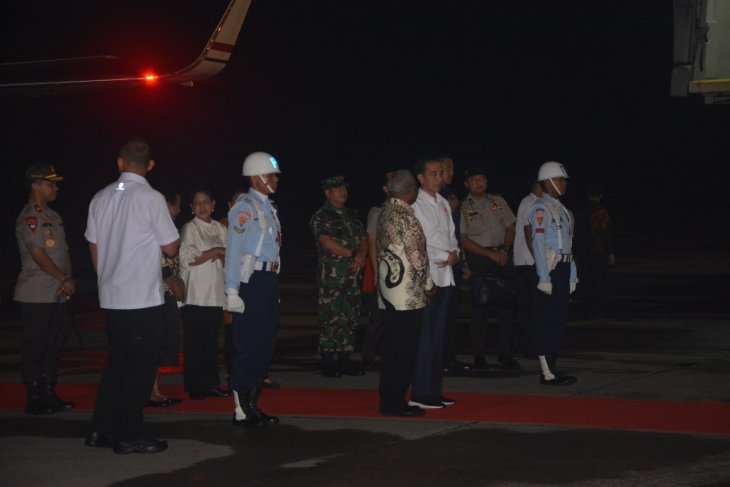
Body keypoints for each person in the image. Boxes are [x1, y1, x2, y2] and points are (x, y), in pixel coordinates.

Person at [85, 137, 179, 453]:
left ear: (120, 162)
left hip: (112, 296)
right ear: (150, 165)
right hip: (141, 297)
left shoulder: (100, 197)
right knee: (140, 368)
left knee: (117, 364)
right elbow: (171, 246)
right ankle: (129, 433)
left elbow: (93, 244)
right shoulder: (151, 198)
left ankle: (100, 429)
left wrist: (105, 278)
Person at [224, 151, 282, 426]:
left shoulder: (268, 207)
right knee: (248, 343)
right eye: (271, 175)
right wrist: (232, 291)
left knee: (264, 343)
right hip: (251, 282)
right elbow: (234, 251)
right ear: (257, 178)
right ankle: (241, 408)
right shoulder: (244, 208)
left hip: (268, 280)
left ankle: (253, 403)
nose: (275, 179)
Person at [14, 164, 76, 415]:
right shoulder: (30, 217)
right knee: (36, 346)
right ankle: (35, 396)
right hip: (36, 293)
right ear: (36, 185)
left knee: (53, 345)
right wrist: (64, 278)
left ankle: (50, 393)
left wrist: (68, 278)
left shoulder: (53, 216)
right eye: (51, 183)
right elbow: (38, 255)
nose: (55, 188)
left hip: (57, 293)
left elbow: (64, 252)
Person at [376, 170, 432, 417]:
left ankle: (388, 396)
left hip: (389, 292)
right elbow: (416, 255)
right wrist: (429, 283)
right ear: (412, 191)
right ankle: (394, 401)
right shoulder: (406, 217)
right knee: (404, 350)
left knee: (391, 349)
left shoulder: (385, 212)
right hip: (406, 295)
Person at [409, 158, 459, 409]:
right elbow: (419, 243)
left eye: (441, 173)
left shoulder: (443, 203)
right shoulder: (415, 204)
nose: (439, 178)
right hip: (427, 277)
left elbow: (451, 235)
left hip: (446, 275)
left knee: (439, 336)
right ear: (420, 177)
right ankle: (420, 392)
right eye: (434, 173)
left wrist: (455, 253)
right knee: (425, 337)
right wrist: (444, 256)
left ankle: (434, 389)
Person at [309, 175, 368, 377]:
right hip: (332, 276)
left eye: (344, 188)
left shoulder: (352, 214)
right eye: (337, 189)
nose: (343, 192)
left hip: (352, 274)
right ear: (327, 193)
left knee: (350, 316)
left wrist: (361, 256)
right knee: (330, 317)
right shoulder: (321, 215)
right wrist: (352, 254)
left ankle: (345, 358)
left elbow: (363, 238)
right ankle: (328, 360)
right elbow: (326, 242)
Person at [459, 166, 518, 369]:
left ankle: (505, 353)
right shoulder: (463, 207)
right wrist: (489, 254)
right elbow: (463, 239)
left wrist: (505, 250)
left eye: (482, 178)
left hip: (502, 255)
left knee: (506, 308)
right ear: (466, 184)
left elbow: (511, 226)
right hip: (480, 258)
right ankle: (478, 356)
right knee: (479, 310)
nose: (479, 182)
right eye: (474, 179)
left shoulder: (498, 201)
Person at [528, 161, 578, 386]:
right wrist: (544, 278)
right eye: (559, 179)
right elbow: (538, 245)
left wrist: (572, 275)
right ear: (548, 182)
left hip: (563, 269)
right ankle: (546, 371)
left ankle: (553, 364)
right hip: (549, 269)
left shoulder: (563, 210)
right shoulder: (541, 209)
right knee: (545, 320)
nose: (564, 183)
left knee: (558, 320)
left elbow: (568, 245)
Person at [179, 189, 230, 400]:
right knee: (194, 343)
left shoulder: (220, 228)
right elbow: (188, 257)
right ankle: (195, 386)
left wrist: (220, 254)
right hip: (195, 295)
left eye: (206, 202)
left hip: (216, 295)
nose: (202, 207)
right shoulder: (189, 228)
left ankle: (211, 384)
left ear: (213, 203)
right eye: (197, 203)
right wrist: (217, 251)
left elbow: (230, 257)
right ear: (191, 207)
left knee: (210, 343)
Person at [147, 190, 185, 408]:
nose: (178, 211)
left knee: (163, 342)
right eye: (176, 206)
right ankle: (150, 391)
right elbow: (160, 262)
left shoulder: (166, 226)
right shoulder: (157, 226)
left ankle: (154, 389)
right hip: (159, 293)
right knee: (156, 342)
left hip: (166, 293)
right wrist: (173, 284)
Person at [439, 155, 471, 374]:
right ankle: (440, 359)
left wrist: (465, 263)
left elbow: (457, 234)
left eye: (452, 168)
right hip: (440, 265)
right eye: (447, 168)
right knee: (440, 316)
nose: (451, 172)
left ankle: (449, 356)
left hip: (456, 263)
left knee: (451, 316)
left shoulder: (450, 195)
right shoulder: (433, 198)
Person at [361, 172, 392, 369]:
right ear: (385, 189)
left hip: (399, 271)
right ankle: (368, 356)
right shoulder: (377, 211)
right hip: (380, 269)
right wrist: (375, 270)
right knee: (378, 316)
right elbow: (371, 243)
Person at [574, 184, 615, 319]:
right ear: (601, 196)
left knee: (585, 280)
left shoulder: (581, 212)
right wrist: (610, 251)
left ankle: (584, 308)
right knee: (598, 281)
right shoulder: (602, 212)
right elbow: (605, 232)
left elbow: (577, 233)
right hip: (598, 251)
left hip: (584, 251)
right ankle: (595, 309)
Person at [513, 180, 542, 358]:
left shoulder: (528, 201)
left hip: (528, 260)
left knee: (528, 307)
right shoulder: (532, 203)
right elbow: (529, 231)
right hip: (530, 261)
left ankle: (527, 346)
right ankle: (526, 347)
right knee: (529, 307)